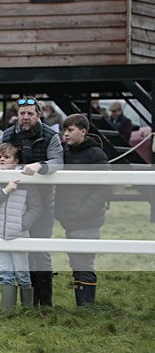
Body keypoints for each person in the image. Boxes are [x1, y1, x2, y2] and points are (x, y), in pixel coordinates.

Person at [0, 97, 63, 306]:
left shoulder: (51, 136)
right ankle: (25, 305)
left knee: (40, 254)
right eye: (22, 113)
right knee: (21, 256)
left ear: (39, 115)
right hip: (14, 206)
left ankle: (45, 303)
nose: (25, 117)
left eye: (30, 113)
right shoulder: (9, 134)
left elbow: (58, 162)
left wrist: (39, 165)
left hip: (43, 202)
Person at [55, 114, 112, 306]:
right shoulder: (65, 152)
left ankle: (87, 305)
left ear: (83, 131)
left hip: (87, 219)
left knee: (84, 261)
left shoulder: (96, 155)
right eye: (65, 130)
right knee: (75, 261)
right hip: (70, 219)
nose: (66, 134)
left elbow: (105, 186)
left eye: (70, 130)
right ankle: (82, 305)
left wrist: (84, 211)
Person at [0, 143, 42, 311]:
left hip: (19, 234)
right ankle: (8, 310)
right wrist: (5, 190)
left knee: (22, 272)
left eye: (6, 157)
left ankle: (27, 309)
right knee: (4, 272)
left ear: (16, 161)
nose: (1, 159)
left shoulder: (26, 181)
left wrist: (22, 224)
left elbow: (35, 207)